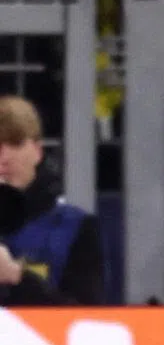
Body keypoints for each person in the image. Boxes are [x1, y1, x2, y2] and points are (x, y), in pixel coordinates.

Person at [0, 95, 104, 306]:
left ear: (37, 151)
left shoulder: (76, 227)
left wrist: (18, 278)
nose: (4, 158)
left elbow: (86, 317)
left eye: (15, 143)